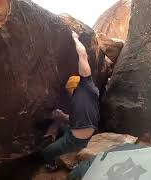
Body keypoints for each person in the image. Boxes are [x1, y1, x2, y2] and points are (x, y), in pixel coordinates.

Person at [40, 31, 100, 170]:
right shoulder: (89, 88)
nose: (69, 95)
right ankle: (52, 135)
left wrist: (75, 38)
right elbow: (83, 56)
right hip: (81, 129)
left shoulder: (82, 95)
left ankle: (52, 164)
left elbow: (83, 54)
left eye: (70, 91)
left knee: (46, 152)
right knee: (59, 123)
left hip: (78, 140)